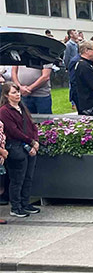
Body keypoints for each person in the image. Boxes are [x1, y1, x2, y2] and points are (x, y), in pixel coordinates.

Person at [0, 83, 40, 218]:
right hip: (15, 146)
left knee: (28, 177)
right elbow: (13, 130)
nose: (17, 95)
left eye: (18, 92)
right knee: (17, 178)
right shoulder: (4, 111)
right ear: (6, 95)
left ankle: (25, 202)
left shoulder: (22, 107)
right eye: (13, 93)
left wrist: (35, 141)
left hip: (29, 145)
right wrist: (31, 141)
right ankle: (16, 206)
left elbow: (31, 125)